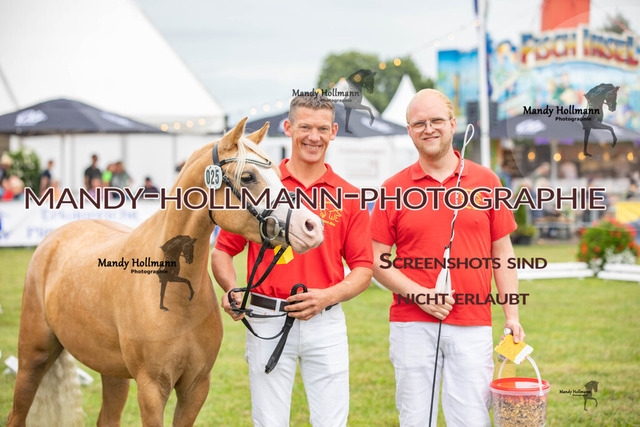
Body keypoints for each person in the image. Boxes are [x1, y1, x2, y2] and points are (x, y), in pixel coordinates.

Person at [211, 94, 373, 427]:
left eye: (322, 129)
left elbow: (363, 270)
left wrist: (327, 296)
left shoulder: (349, 195)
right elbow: (222, 251)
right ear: (288, 128)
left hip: (326, 322)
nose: (314, 136)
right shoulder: (261, 186)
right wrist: (230, 289)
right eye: (305, 127)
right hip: (266, 318)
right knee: (269, 422)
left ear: (333, 132)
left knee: (331, 422)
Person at [371, 89, 524, 427]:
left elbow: (502, 253)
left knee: (471, 419)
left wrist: (511, 316)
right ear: (409, 131)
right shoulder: (393, 188)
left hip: (473, 322)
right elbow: (377, 259)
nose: (428, 129)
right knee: (415, 419)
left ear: (453, 124)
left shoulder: (486, 181)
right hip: (411, 324)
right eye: (419, 123)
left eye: (436, 121)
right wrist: (420, 295)